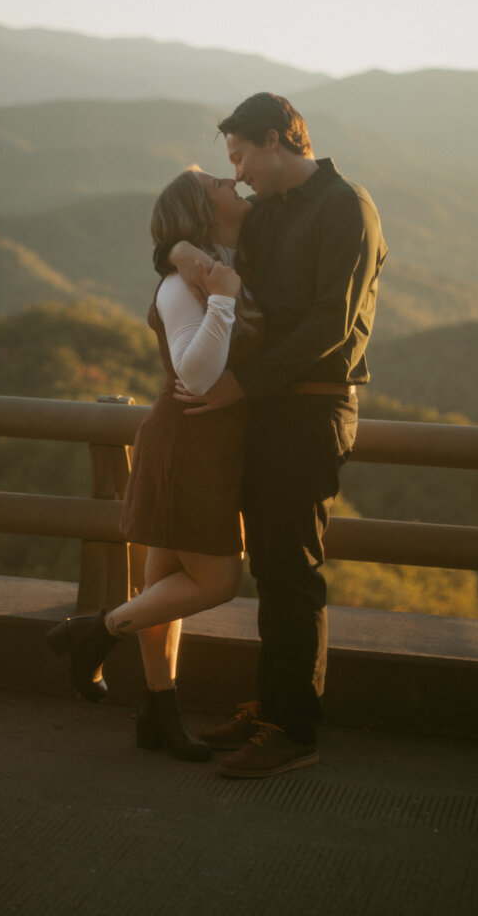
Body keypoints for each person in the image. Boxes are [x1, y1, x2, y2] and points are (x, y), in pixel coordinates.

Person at [171, 92, 387, 778]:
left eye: (240, 156)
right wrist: (178, 250)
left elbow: (332, 325)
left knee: (293, 569)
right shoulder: (269, 215)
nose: (236, 174)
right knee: (270, 566)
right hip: (268, 410)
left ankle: (295, 728)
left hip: (314, 408)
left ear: (274, 139)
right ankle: (270, 707)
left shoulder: (346, 206)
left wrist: (244, 385)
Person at [47, 166, 263, 760]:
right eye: (221, 185)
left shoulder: (214, 263)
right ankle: (95, 631)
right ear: (202, 212)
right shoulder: (181, 285)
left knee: (164, 587)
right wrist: (221, 298)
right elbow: (196, 374)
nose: (233, 184)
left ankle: (157, 717)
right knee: (218, 580)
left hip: (203, 444)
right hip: (188, 445)